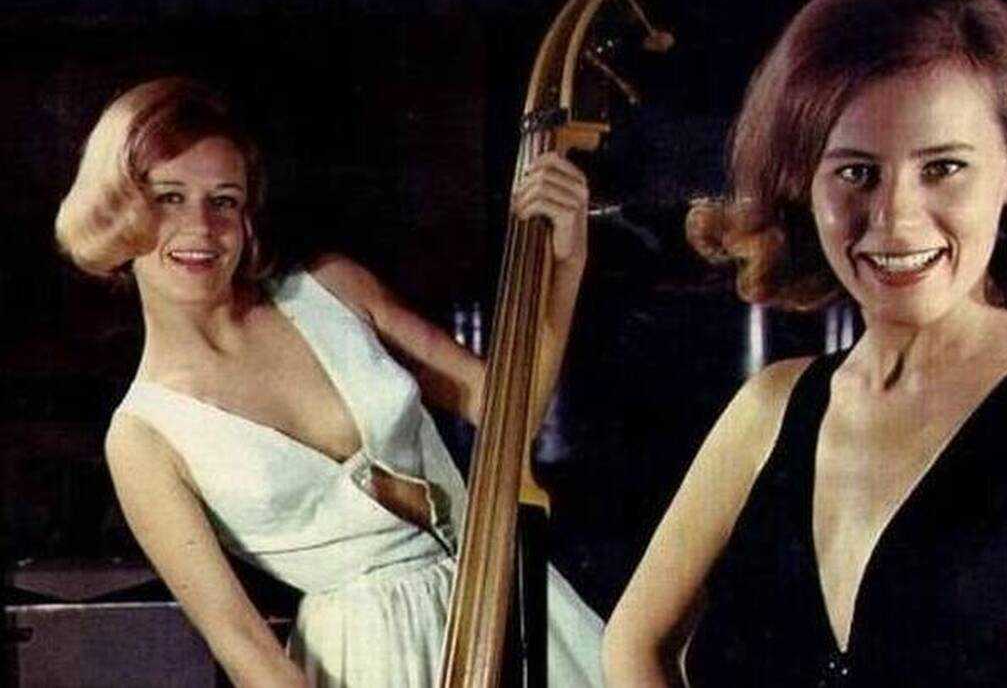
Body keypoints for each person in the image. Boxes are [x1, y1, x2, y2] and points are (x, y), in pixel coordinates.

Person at [603, 0, 1007, 686]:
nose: (895, 220)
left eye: (943, 167)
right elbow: (631, 644)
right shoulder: (768, 411)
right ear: (803, 180)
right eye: (856, 173)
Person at [54, 77, 604, 686]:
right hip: (365, 664)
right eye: (168, 198)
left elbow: (511, 414)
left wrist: (566, 261)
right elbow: (245, 647)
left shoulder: (330, 290)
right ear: (117, 213)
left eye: (224, 201)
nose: (202, 228)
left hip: (502, 605)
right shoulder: (142, 438)